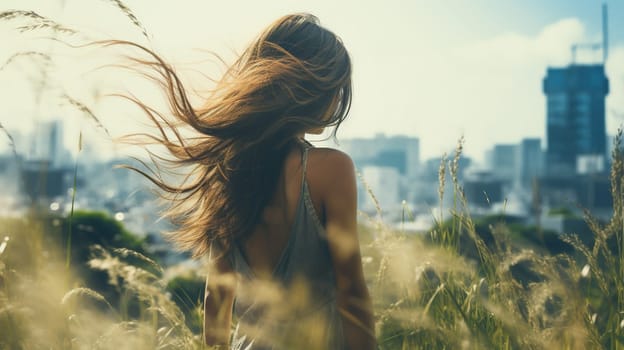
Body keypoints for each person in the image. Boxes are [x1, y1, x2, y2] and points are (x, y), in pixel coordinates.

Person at [119, 13, 375, 349]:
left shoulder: (224, 173)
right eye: (335, 87)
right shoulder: (330, 169)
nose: (338, 100)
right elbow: (351, 291)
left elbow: (217, 296)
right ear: (309, 87)